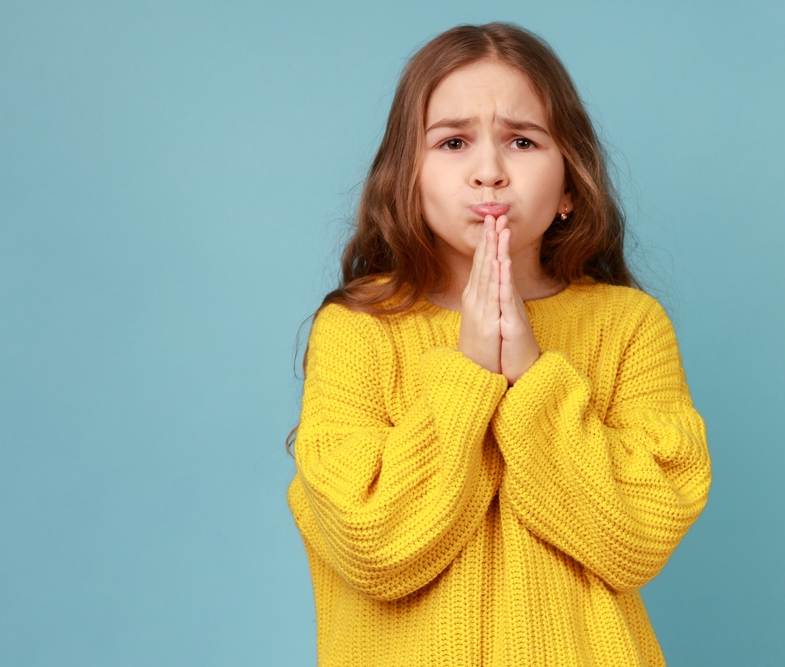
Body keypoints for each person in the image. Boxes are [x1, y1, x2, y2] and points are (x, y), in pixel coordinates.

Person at [286, 22, 711, 667]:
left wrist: (532, 376)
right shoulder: (357, 329)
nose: (489, 172)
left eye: (521, 140)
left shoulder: (629, 325)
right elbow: (371, 544)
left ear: (570, 184)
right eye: (453, 142)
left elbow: (638, 535)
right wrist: (469, 370)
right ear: (409, 177)